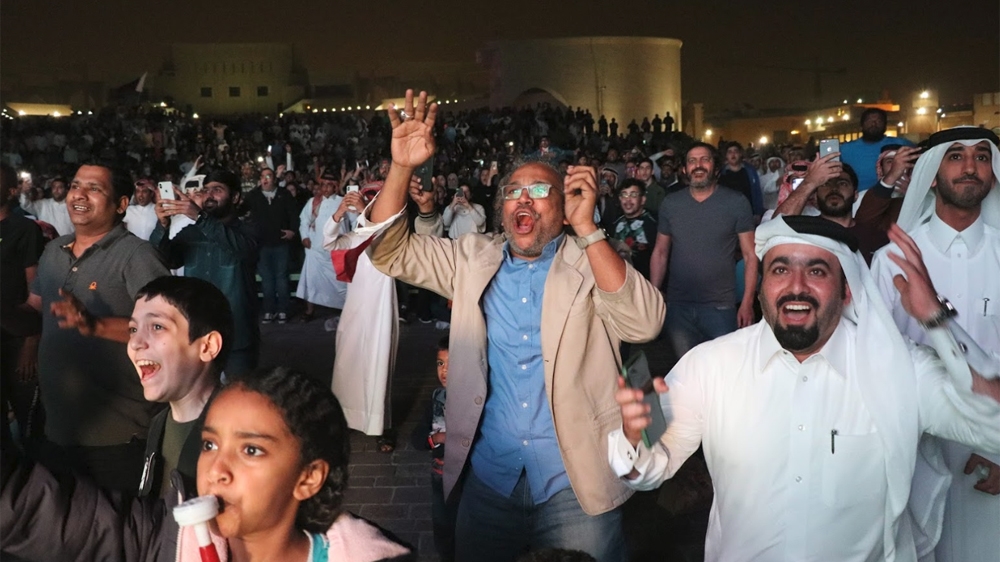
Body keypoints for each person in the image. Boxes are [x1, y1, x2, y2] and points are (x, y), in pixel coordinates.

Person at [361, 90, 665, 562]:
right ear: (501, 206)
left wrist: (588, 230)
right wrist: (400, 167)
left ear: (564, 207)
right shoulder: (470, 258)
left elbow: (644, 323)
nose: (524, 198)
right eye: (513, 191)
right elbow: (388, 251)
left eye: (541, 191)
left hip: (574, 482)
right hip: (489, 480)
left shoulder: (592, 263)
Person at [611, 215, 1000, 562]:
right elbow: (649, 469)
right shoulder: (710, 364)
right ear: (761, 287)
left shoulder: (899, 369)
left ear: (846, 291)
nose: (796, 287)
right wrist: (635, 436)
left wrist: (937, 320)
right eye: (780, 270)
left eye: (817, 272)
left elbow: (994, 428)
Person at [0, 367, 414, 562]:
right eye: (210, 443)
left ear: (308, 478)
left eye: (251, 450)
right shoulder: (161, 542)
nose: (216, 469)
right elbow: (36, 510)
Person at [870, 126, 1000, 562]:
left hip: (989, 449)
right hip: (915, 445)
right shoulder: (890, 260)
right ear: (930, 173)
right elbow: (875, 358)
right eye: (956, 156)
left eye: (982, 157)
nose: (970, 167)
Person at [26, 162, 170, 493]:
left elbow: (167, 330)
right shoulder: (53, 251)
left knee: (114, 536)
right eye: (76, 185)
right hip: (58, 426)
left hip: (117, 434)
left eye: (95, 188)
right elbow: (33, 312)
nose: (79, 194)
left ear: (121, 204)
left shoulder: (137, 256)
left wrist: (94, 325)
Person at [649, 142, 758, 361]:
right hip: (678, 307)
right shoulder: (671, 203)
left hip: (721, 307)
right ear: (684, 169)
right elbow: (661, 251)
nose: (698, 165)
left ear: (716, 168)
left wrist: (747, 302)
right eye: (692, 161)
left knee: (724, 372)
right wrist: (653, 293)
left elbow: (750, 255)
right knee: (687, 372)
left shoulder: (736, 202)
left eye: (704, 160)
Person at [150, 169, 260, 376]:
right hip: (198, 330)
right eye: (206, 190)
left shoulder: (248, 229)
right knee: (200, 398)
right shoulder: (192, 231)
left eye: (217, 190)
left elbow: (243, 251)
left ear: (235, 197)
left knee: (238, 396)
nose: (209, 195)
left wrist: (200, 217)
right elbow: (163, 258)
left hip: (236, 332)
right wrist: (163, 225)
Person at [322, 185, 399, 451]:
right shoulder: (355, 235)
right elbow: (329, 241)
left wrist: (365, 212)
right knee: (348, 366)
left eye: (373, 199)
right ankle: (345, 420)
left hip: (381, 311)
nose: (367, 202)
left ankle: (382, 426)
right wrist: (340, 211)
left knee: (379, 366)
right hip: (354, 311)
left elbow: (383, 232)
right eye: (366, 198)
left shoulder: (389, 232)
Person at [0, 163, 45, 444]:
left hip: (16, 340)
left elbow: (37, 290)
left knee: (28, 424)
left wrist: (31, 344)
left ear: (11, 191)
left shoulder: (24, 229)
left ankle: (36, 484)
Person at [775, 154, 888, 264]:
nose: (834, 189)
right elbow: (775, 228)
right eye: (825, 184)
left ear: (855, 195)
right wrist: (810, 182)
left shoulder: (876, 237)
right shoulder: (806, 232)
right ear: (815, 196)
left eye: (842, 184)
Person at [242, 166, 298, 324]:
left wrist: (293, 231)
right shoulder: (253, 196)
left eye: (269, 176)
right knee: (267, 278)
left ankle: (283, 310)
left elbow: (294, 214)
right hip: (262, 244)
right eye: (263, 176)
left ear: (275, 179)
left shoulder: (284, 194)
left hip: (281, 242)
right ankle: (268, 310)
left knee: (281, 277)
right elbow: (243, 213)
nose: (265, 179)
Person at [296, 169, 348, 320]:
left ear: (335, 187)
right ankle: (309, 311)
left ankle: (346, 309)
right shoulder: (313, 202)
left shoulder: (343, 202)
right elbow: (304, 221)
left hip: (337, 249)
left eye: (328, 185)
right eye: (323, 184)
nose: (324, 188)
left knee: (341, 283)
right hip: (315, 249)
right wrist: (304, 237)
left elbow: (354, 223)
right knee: (311, 280)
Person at [839, 108, 914, 194]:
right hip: (857, 200)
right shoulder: (845, 149)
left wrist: (912, 186)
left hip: (893, 198)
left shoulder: (901, 144)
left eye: (879, 121)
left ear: (885, 125)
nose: (874, 124)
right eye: (869, 120)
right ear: (862, 125)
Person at [611, 179, 658, 279]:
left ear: (643, 199)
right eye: (624, 195)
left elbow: (661, 256)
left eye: (633, 195)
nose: (628, 200)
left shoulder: (653, 223)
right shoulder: (615, 223)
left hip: (646, 284)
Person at [718, 141, 764, 220]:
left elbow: (756, 191)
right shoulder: (720, 173)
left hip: (747, 212)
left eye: (735, 151)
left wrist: (758, 212)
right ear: (726, 155)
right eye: (730, 152)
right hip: (727, 214)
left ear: (740, 154)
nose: (733, 154)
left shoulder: (750, 170)